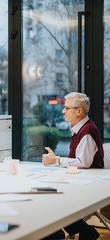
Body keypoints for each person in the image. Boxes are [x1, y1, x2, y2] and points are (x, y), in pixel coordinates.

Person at [42, 92, 103, 240]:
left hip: (90, 183)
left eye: (67, 108)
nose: (63, 111)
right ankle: (71, 232)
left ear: (79, 111)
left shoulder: (87, 131)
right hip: (82, 179)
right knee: (50, 192)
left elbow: (83, 163)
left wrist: (56, 160)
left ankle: (57, 234)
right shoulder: (79, 128)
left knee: (53, 197)